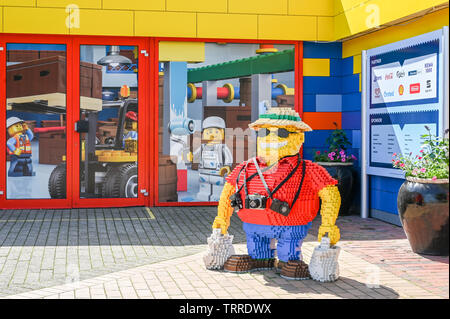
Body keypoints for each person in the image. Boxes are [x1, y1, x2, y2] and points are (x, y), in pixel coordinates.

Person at [211, 107, 341, 280]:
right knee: (256, 245)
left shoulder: (308, 170)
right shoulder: (245, 168)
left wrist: (328, 224)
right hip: (253, 224)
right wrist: (222, 218)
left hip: (291, 224)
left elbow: (330, 195)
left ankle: (289, 261)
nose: (272, 137)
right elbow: (228, 192)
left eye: (282, 132)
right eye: (265, 131)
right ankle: (260, 260)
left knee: (288, 249)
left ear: (299, 137)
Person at [189, 116, 233, 201]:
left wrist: (227, 165)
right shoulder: (203, 147)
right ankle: (204, 194)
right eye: (209, 132)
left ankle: (217, 195)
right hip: (203, 171)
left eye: (216, 132)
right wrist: (191, 156)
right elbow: (196, 155)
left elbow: (228, 156)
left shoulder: (222, 147)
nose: (212, 134)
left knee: (217, 184)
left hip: (217, 171)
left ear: (222, 133)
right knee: (204, 183)